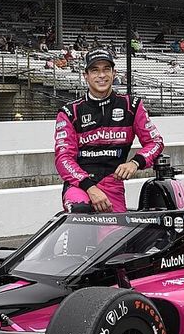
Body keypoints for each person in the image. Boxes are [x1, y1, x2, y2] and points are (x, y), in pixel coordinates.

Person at [54, 49, 164, 213]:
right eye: (95, 70)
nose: (101, 75)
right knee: (81, 211)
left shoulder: (131, 106)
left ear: (114, 73)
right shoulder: (70, 112)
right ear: (86, 76)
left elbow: (155, 142)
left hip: (113, 183)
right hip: (80, 184)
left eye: (106, 69)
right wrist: (90, 188)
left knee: (116, 236)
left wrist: (135, 163)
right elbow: (63, 158)